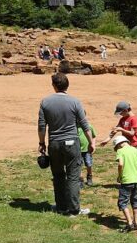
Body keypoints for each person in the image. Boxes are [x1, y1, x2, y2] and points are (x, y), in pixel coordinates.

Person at [38, 72, 94, 216]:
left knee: (58, 176)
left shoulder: (45, 102)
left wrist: (42, 142)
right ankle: (74, 209)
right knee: (73, 176)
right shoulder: (75, 102)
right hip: (71, 143)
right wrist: (91, 142)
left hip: (54, 143)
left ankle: (61, 207)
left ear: (54, 86)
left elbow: (42, 126)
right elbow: (84, 124)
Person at [113, 135, 137, 233]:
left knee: (123, 202)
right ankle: (136, 222)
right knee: (135, 201)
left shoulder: (120, 151)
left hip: (126, 181)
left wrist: (119, 176)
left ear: (119, 144)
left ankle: (130, 224)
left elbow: (120, 164)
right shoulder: (136, 150)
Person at [78, 111, 97, 187]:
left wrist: (93, 145)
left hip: (87, 150)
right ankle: (80, 180)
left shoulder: (89, 126)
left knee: (88, 164)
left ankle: (89, 177)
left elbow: (94, 136)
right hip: (77, 150)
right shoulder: (74, 127)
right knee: (78, 165)